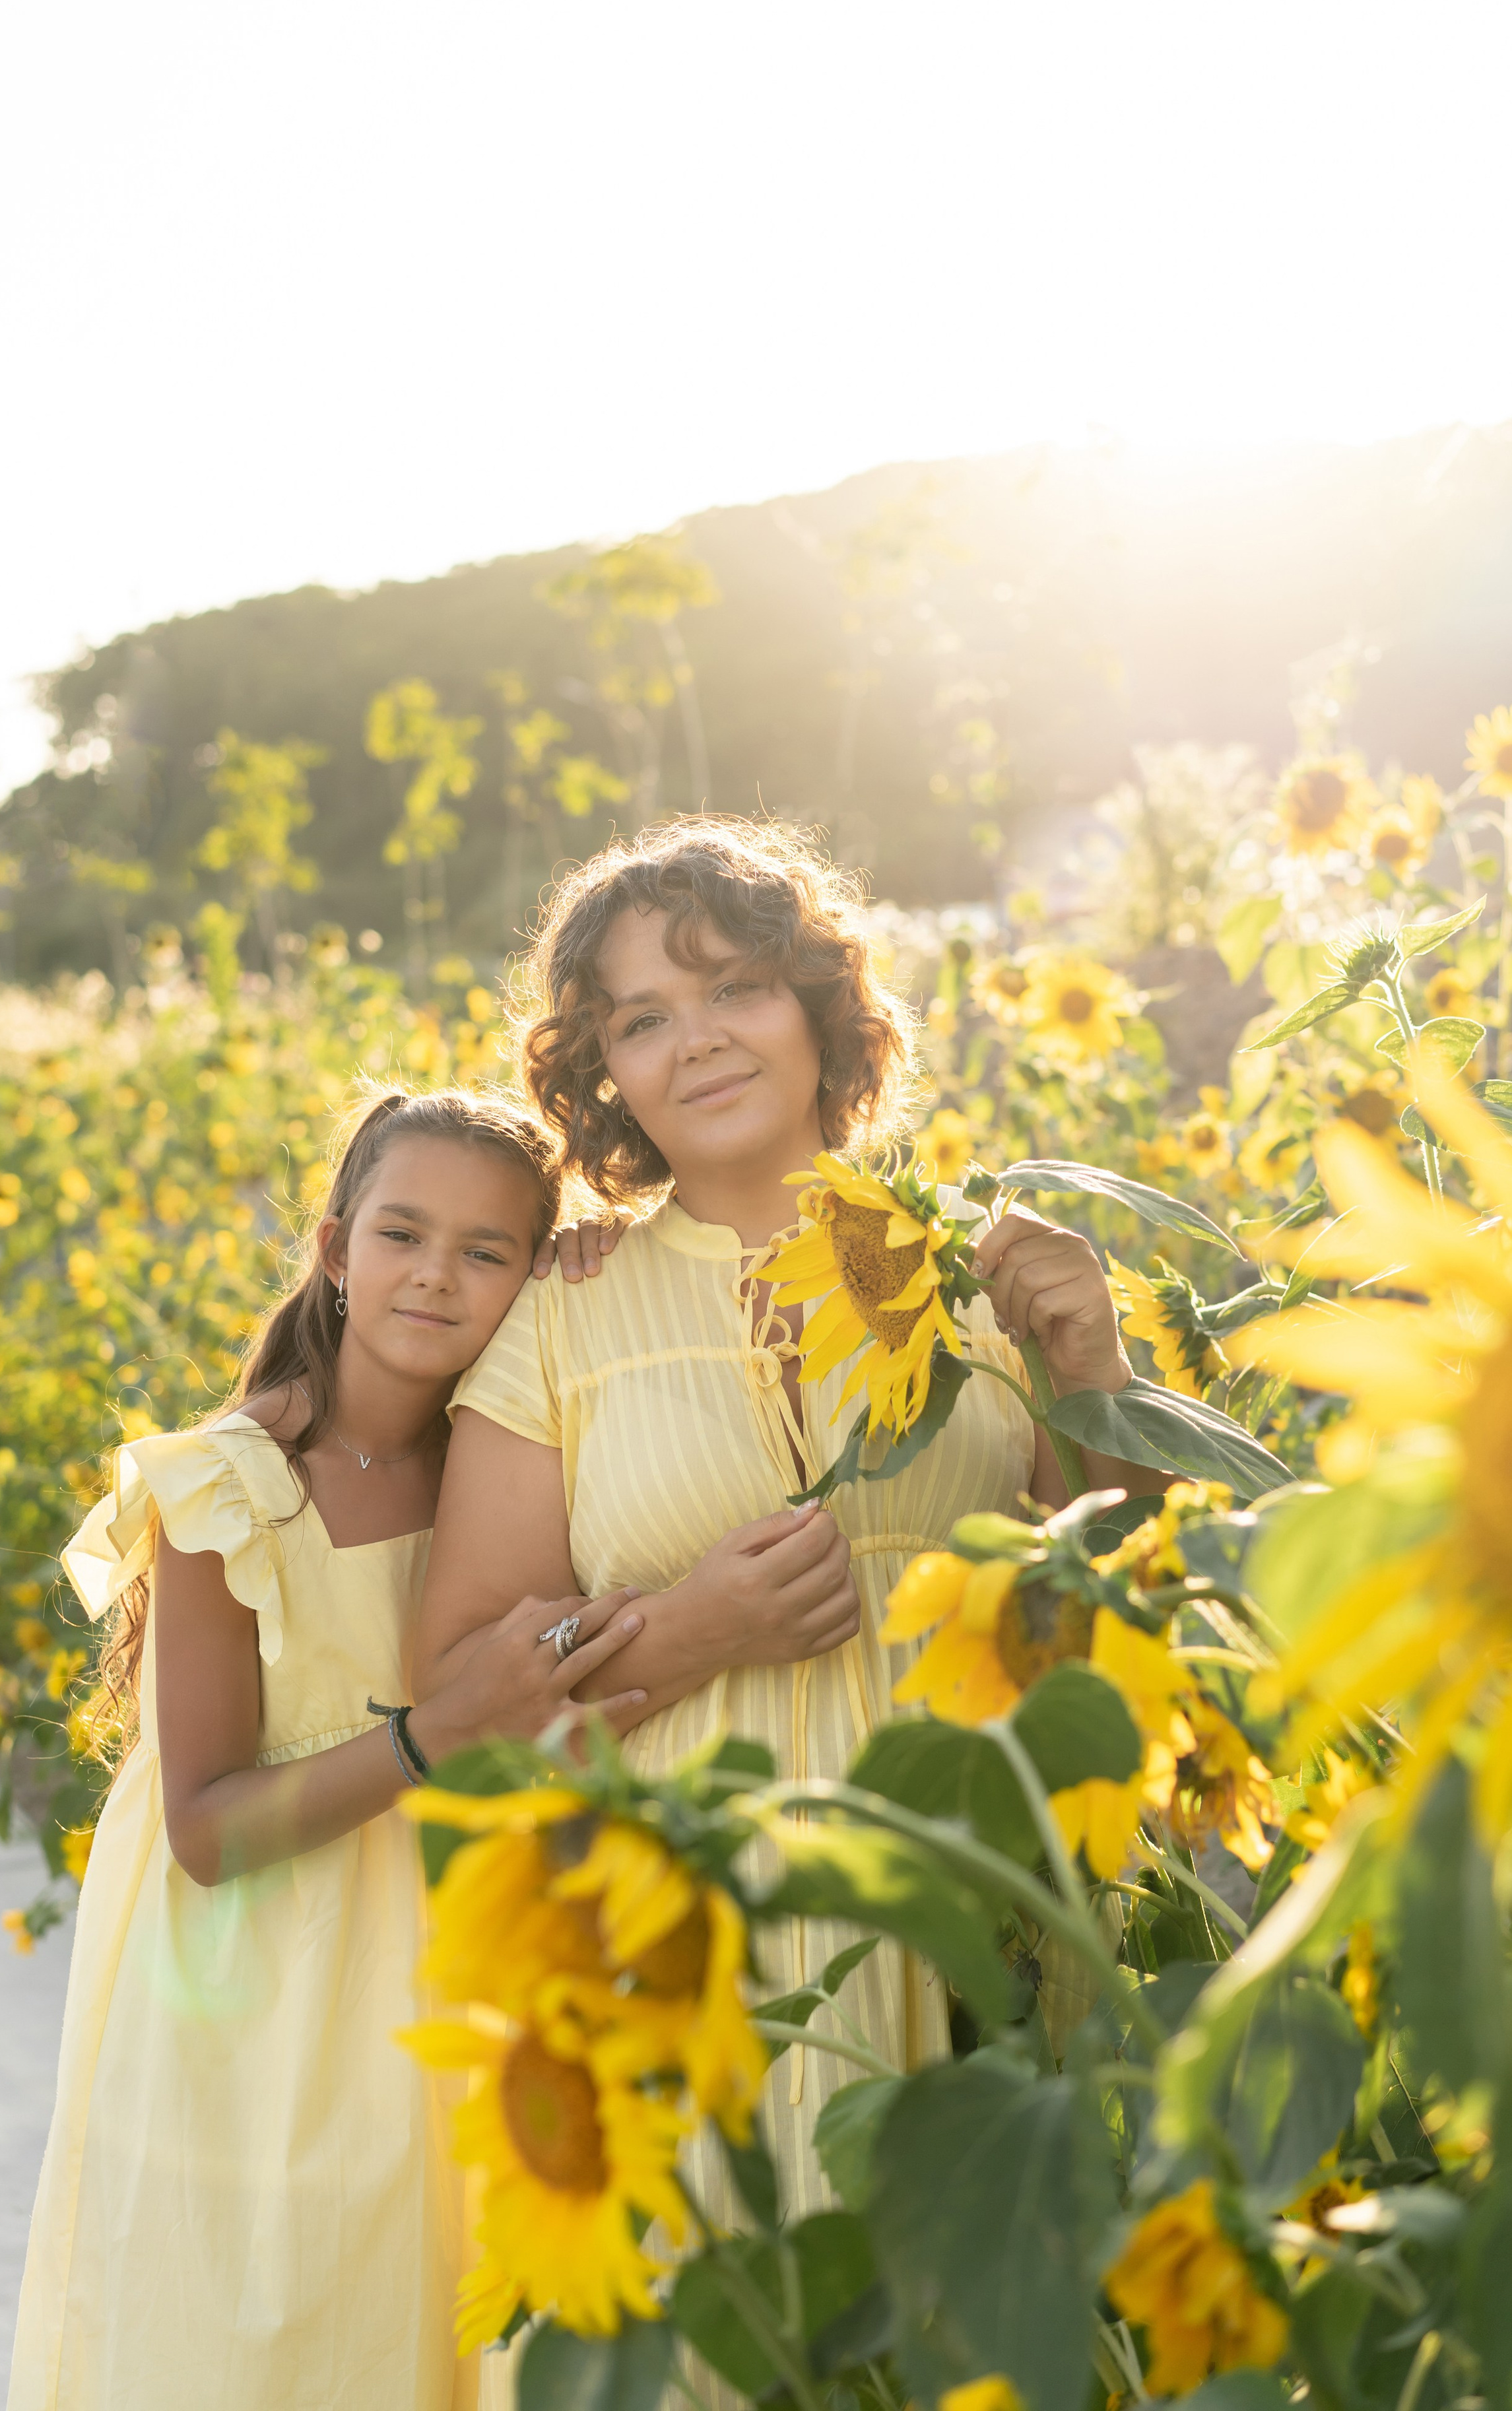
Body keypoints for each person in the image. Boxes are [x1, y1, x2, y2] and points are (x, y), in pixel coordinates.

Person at [414, 818, 1159, 2241]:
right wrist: (678, 1636)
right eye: (642, 1018)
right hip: (698, 1945)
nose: (694, 1040)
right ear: (607, 1074)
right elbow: (459, 1705)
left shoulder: (977, 1262)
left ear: (821, 1007)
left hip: (989, 1887)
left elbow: (1124, 1587)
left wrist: (1094, 1375)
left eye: (734, 988)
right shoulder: (560, 1317)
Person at [6, 1087, 651, 2411]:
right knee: (277, 2333)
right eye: (403, 1234)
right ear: (334, 1247)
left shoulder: (524, 1466)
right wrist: (435, 1736)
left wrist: (605, 1258)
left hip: (464, 1960)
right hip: (270, 1983)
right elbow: (205, 1830)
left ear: (536, 1276)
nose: (436, 1275)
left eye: (490, 1252)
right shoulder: (226, 1489)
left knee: (436, 2316)